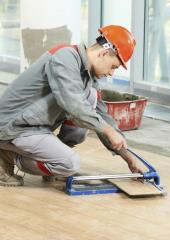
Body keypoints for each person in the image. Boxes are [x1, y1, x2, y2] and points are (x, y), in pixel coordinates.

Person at [0, 25, 143, 187]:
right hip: (12, 127)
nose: (111, 74)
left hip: (33, 126)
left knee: (90, 97)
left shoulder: (88, 76)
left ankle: (54, 163)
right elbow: (74, 104)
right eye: (113, 67)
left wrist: (130, 158)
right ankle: (6, 155)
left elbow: (101, 116)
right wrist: (108, 131)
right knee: (69, 164)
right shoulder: (64, 57)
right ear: (103, 53)